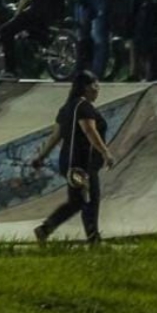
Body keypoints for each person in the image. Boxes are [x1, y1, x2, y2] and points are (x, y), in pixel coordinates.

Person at [29, 70, 115, 244]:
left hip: (68, 163)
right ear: (85, 87)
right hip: (82, 163)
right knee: (91, 199)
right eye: (95, 85)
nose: (98, 89)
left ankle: (45, 229)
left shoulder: (66, 108)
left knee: (76, 202)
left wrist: (41, 157)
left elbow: (55, 136)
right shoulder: (84, 107)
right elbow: (89, 130)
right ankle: (94, 239)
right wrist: (105, 152)